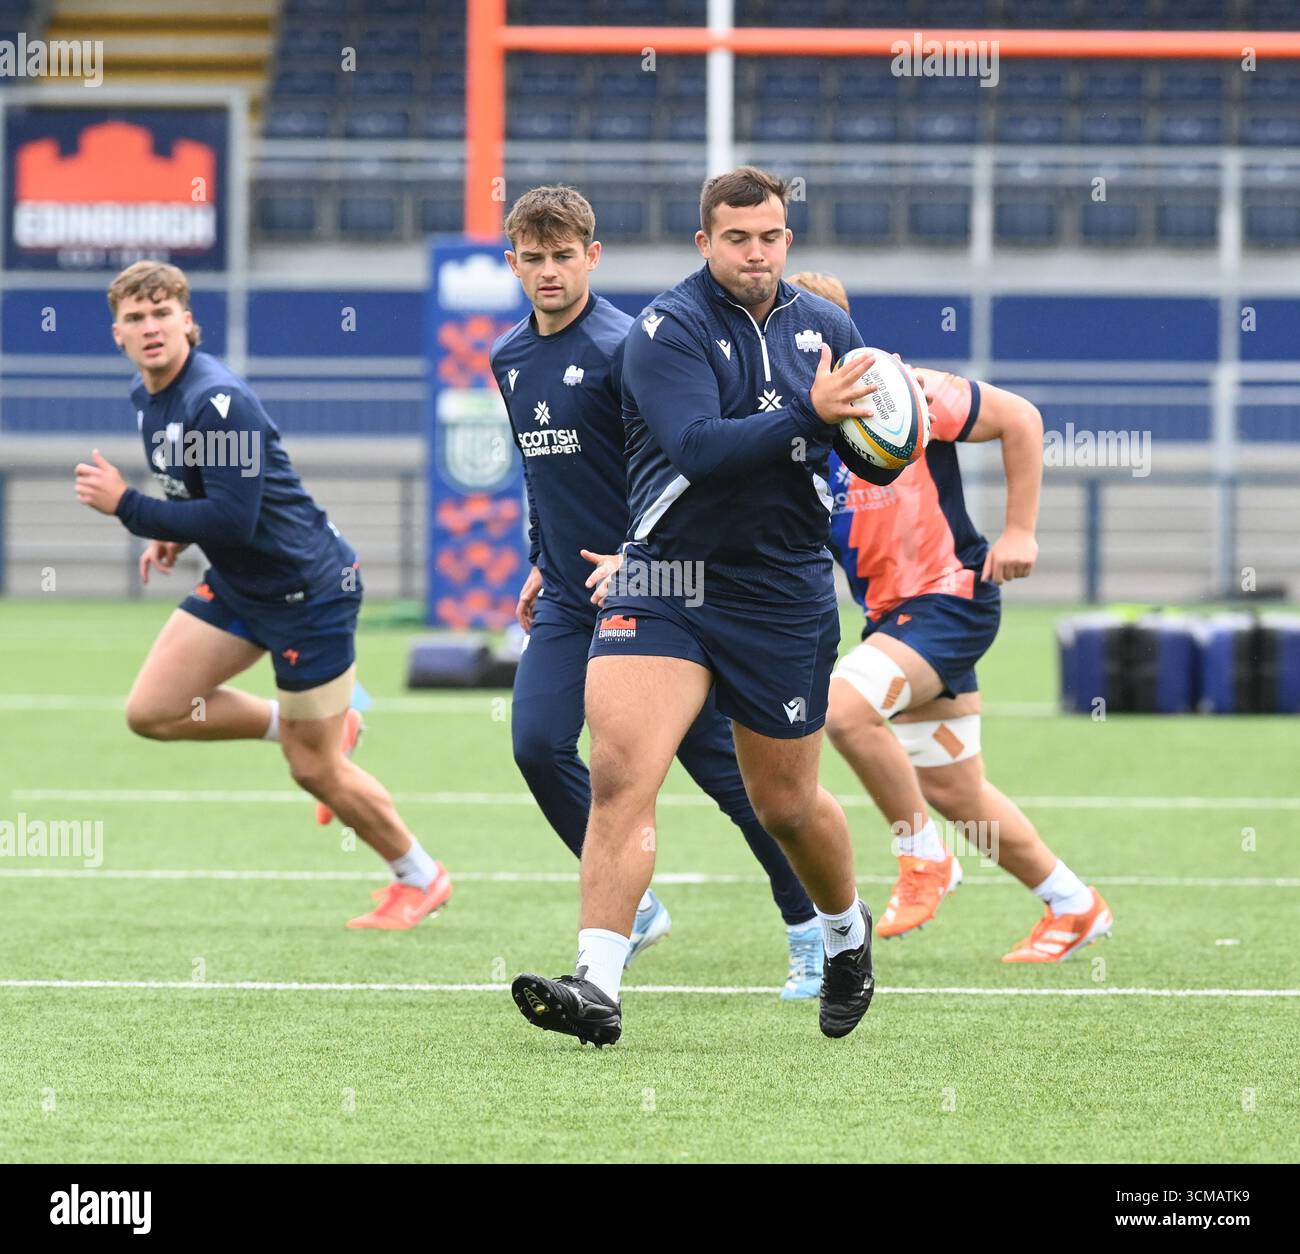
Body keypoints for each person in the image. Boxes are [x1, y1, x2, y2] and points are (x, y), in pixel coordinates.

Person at [511, 167, 904, 1046]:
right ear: (705, 244)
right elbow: (697, 447)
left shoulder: (829, 329)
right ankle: (598, 987)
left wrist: (888, 433)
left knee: (786, 805)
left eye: (768, 238)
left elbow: (872, 458)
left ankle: (844, 935)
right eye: (735, 239)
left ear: (787, 241)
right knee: (619, 774)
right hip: (663, 578)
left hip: (783, 589)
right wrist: (814, 411)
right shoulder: (664, 328)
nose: (753, 253)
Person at [75, 260, 450, 930]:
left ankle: (419, 875)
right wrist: (171, 531)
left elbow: (231, 519)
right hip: (243, 585)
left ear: (189, 322)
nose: (151, 326)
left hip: (308, 592)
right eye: (136, 318)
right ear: (118, 335)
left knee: (312, 769)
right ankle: (336, 726)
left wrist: (131, 508)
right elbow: (206, 497)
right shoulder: (151, 397)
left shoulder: (218, 400)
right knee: (153, 710)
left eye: (163, 313)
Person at [788, 270, 1113, 962]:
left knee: (843, 711)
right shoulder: (793, 425)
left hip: (948, 600)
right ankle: (1072, 903)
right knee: (956, 789)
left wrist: (1020, 531)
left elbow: (1020, 418)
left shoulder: (904, 390)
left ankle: (923, 859)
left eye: (817, 333)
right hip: (892, 621)